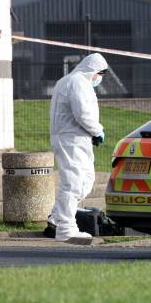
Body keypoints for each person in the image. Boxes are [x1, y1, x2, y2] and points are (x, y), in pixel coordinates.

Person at [47, 53, 108, 244]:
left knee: (84, 181)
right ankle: (66, 229)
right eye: (100, 73)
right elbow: (83, 113)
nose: (100, 78)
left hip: (73, 138)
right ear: (92, 70)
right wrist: (97, 130)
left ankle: (57, 217)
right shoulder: (78, 82)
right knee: (73, 183)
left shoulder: (67, 81)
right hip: (72, 139)